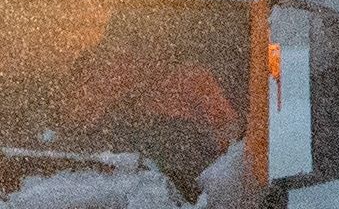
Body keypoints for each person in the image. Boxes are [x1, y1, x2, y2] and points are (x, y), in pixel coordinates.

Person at [59, 14, 242, 194]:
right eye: (129, 46)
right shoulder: (106, 76)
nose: (143, 53)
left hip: (176, 197)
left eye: (155, 40)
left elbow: (228, 138)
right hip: (107, 191)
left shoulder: (193, 80)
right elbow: (76, 131)